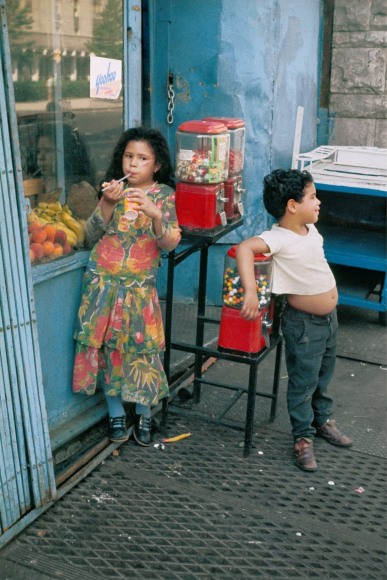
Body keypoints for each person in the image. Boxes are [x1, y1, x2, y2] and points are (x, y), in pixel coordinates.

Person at [236, 168, 353, 471]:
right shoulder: (279, 238)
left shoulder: (309, 229)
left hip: (329, 321)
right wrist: (250, 291)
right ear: (292, 205)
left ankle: (322, 420)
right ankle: (302, 437)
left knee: (323, 375)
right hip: (304, 325)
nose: (319, 202)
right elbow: (246, 248)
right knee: (303, 382)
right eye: (313, 197)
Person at [72, 127, 181, 446]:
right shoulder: (112, 190)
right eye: (129, 156)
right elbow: (89, 236)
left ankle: (144, 412)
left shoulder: (163, 195)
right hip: (102, 284)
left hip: (138, 290)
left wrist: (156, 216)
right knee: (107, 350)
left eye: (143, 158)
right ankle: (115, 411)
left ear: (157, 164)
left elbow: (171, 243)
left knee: (140, 350)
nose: (133, 164)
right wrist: (106, 202)